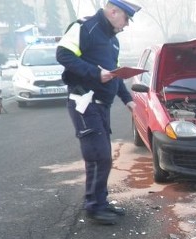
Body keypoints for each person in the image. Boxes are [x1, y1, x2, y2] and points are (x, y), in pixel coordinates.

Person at [56, 0, 141, 225]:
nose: (127, 25)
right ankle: (94, 207)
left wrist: (128, 100)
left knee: (102, 156)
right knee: (98, 156)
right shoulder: (85, 27)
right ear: (113, 12)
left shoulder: (112, 41)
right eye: (126, 19)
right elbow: (63, 55)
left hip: (102, 105)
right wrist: (94, 73)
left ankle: (100, 202)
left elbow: (115, 74)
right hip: (84, 101)